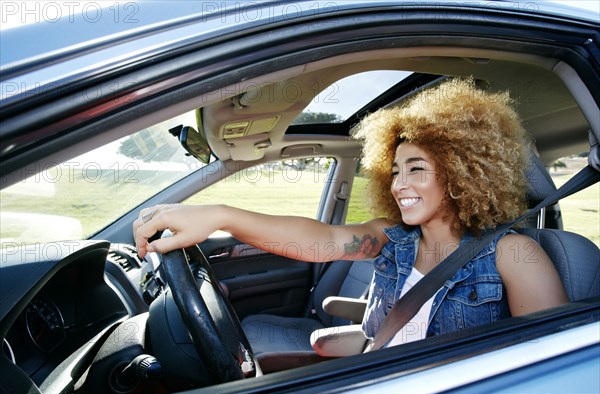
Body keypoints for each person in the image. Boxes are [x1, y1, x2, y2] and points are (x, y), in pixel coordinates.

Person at [133, 78, 568, 350]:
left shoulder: (513, 256)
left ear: (464, 172)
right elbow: (319, 240)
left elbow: (551, 364)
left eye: (416, 169)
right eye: (394, 171)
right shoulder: (392, 238)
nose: (399, 185)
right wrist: (221, 215)